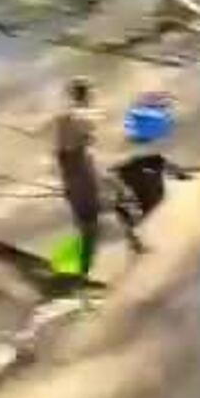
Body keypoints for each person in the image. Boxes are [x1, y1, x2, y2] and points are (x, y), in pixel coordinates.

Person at [54, 79, 143, 277]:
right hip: (82, 170)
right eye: (91, 94)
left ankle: (134, 244)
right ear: (85, 96)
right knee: (93, 221)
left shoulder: (62, 117)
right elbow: (85, 139)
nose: (94, 98)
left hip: (73, 170)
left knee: (117, 198)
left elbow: (63, 149)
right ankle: (84, 272)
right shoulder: (81, 116)